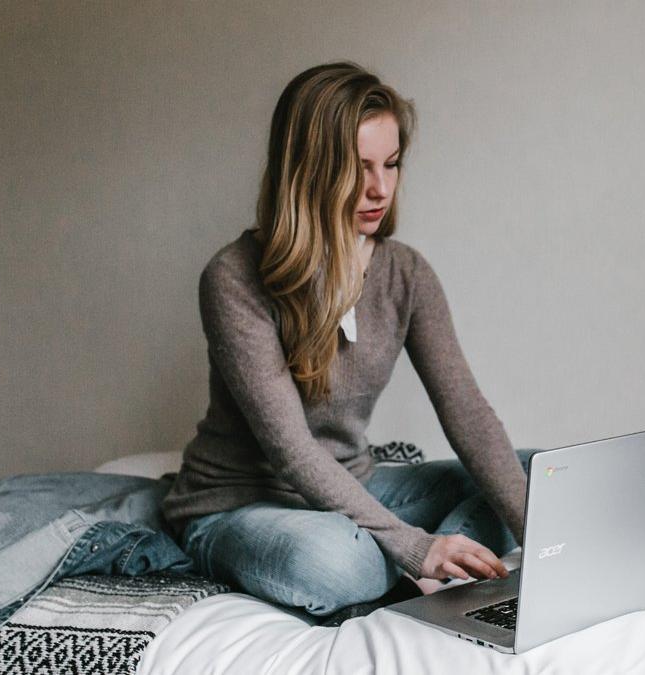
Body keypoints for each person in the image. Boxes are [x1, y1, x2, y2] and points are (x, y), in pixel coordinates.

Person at [160, 61, 537, 622]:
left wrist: (544, 534)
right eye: (356, 168)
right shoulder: (234, 278)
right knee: (333, 564)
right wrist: (414, 546)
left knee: (534, 474)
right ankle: (422, 560)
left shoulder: (405, 273)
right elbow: (290, 451)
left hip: (358, 487)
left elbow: (468, 413)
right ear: (308, 169)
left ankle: (444, 566)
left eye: (391, 164)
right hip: (242, 504)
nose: (380, 188)